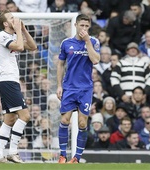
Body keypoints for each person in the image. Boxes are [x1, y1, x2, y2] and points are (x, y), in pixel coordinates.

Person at [0, 10, 37, 163]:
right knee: (25, 116)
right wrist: (18, 30)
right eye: (12, 18)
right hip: (8, 81)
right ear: (5, 23)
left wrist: (23, 29)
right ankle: (13, 151)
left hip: (11, 81)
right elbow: (19, 47)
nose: (15, 19)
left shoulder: (12, 36)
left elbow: (32, 46)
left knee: (9, 119)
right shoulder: (2, 36)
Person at [56, 14, 100, 164]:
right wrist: (59, 85)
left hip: (85, 89)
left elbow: (95, 60)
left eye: (87, 26)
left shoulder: (93, 42)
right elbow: (60, 64)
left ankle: (77, 158)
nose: (84, 29)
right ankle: (62, 155)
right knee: (65, 120)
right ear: (75, 25)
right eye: (82, 25)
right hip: (69, 87)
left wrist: (87, 40)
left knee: (82, 124)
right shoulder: (66, 43)